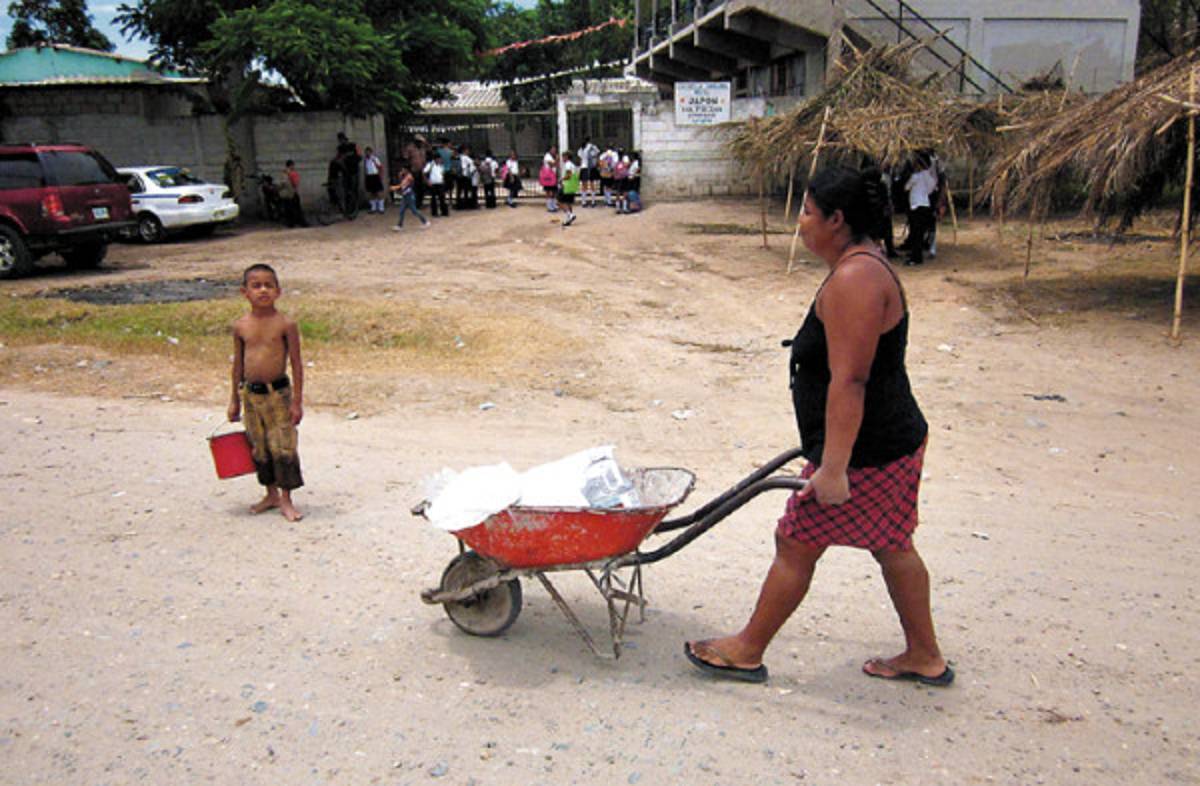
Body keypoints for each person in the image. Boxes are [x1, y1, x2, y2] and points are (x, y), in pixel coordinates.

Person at [684, 165, 951, 688]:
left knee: (797, 540)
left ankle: (746, 649)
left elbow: (849, 381)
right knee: (893, 544)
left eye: (807, 212)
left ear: (837, 218)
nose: (800, 223)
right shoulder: (864, 266)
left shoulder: (856, 279)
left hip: (866, 449)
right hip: (885, 439)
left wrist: (832, 468)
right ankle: (924, 654)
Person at [227, 263, 305, 523]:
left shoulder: (285, 324)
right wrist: (234, 401)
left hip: (278, 394)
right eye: (256, 285)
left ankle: (286, 498)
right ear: (244, 292)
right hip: (251, 396)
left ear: (278, 291)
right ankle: (270, 494)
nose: (263, 290)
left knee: (283, 445)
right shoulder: (241, 326)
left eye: (268, 285)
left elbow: (296, 363)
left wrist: (297, 402)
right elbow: (238, 364)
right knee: (259, 446)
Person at [904, 152, 938, 266]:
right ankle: (916, 254)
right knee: (920, 232)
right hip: (925, 205)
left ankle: (916, 258)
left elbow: (906, 187)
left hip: (916, 206)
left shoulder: (916, 177)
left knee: (915, 232)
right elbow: (932, 188)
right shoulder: (929, 176)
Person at [389, 165, 430, 230]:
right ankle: (400, 225)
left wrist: (395, 187)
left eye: (403, 170)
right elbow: (402, 185)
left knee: (414, 211)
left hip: (409, 196)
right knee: (402, 211)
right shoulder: (405, 177)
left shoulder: (409, 177)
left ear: (406, 170)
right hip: (406, 196)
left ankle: (425, 221)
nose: (402, 171)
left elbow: (403, 185)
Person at [335, 132, 361, 218]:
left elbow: (360, 156)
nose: (341, 141)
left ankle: (354, 210)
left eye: (342, 139)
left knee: (353, 190)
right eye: (340, 140)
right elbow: (337, 158)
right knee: (346, 191)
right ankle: (348, 210)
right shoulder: (340, 149)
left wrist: (352, 160)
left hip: (354, 171)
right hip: (345, 172)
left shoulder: (353, 146)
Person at [279, 159, 307, 227]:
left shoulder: (283, 173)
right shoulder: (292, 173)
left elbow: (282, 184)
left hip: (285, 194)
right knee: (297, 209)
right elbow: (295, 183)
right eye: (293, 165)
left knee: (288, 210)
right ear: (291, 165)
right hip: (292, 193)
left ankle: (290, 224)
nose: (294, 167)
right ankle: (301, 222)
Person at [558, 151, 580, 227]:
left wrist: (561, 180)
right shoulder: (573, 165)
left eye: (563, 157)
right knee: (568, 202)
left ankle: (570, 215)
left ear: (567, 157)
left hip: (567, 185)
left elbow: (568, 175)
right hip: (572, 185)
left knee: (560, 201)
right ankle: (568, 219)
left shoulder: (567, 165)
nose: (562, 158)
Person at [577, 137, 600, 207]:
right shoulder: (593, 147)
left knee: (584, 185)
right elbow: (597, 153)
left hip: (584, 167)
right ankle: (593, 201)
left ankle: (584, 202)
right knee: (592, 184)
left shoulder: (581, 148)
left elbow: (580, 158)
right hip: (591, 167)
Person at [363, 146, 385, 214]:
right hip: (369, 177)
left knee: (378, 192)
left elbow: (380, 167)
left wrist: (381, 176)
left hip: (375, 176)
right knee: (371, 193)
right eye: (366, 152)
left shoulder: (375, 159)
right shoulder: (366, 160)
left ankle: (381, 208)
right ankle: (373, 208)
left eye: (368, 152)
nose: (367, 153)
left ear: (371, 152)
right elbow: (365, 169)